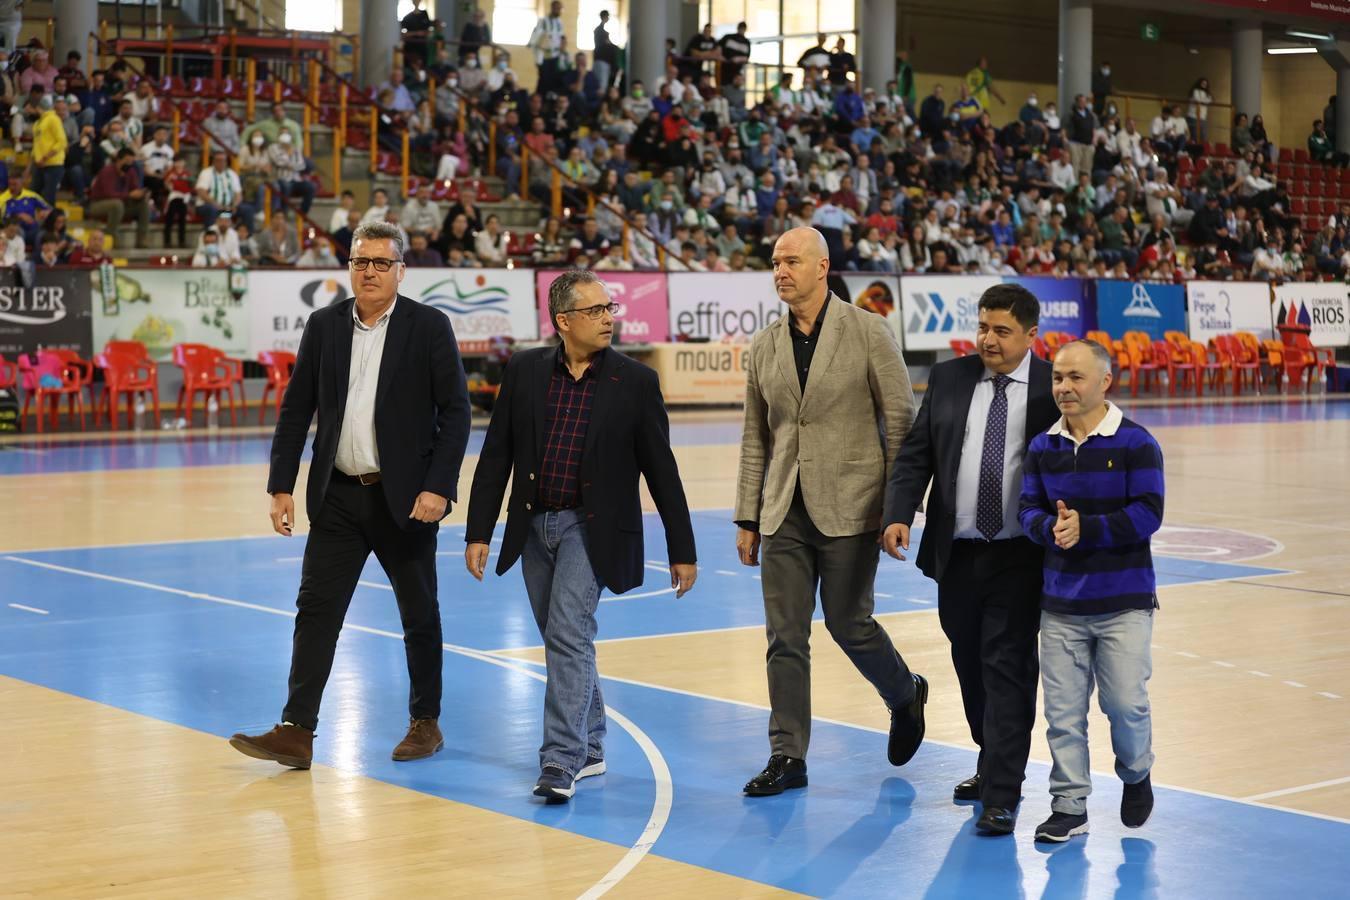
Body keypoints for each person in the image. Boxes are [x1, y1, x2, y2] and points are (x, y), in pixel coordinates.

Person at [229, 222, 472, 771]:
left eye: (381, 263)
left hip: (406, 500)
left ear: (399, 270)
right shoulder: (323, 326)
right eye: (361, 262)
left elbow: (457, 412)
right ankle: (297, 731)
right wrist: (280, 484)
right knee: (315, 610)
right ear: (350, 269)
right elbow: (296, 410)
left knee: (419, 614)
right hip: (337, 495)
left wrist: (439, 486)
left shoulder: (429, 326)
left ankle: (425, 721)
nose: (369, 272)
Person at [464, 269, 697, 802]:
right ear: (563, 321)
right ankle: (591, 746)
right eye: (596, 311)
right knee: (562, 638)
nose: (609, 318)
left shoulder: (635, 382)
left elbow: (662, 471)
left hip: (589, 530)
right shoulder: (524, 371)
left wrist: (682, 550)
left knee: (569, 634)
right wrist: (479, 530)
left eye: (610, 308)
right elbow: (496, 453)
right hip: (532, 525)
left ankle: (559, 760)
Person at [735, 227, 925, 797]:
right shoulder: (763, 345)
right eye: (774, 262)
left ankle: (904, 692)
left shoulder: (868, 331)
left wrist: (899, 509)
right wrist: (748, 516)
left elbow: (900, 425)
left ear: (822, 267)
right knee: (783, 636)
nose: (780, 271)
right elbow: (754, 438)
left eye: (791, 260)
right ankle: (787, 754)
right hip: (782, 509)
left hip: (854, 504)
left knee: (849, 624)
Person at [882, 283, 1060, 835]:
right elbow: (918, 453)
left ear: (1031, 336)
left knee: (1007, 667)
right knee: (969, 663)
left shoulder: (1053, 389)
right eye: (983, 326)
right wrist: (899, 512)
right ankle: (991, 759)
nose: (988, 338)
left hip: (1020, 555)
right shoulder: (950, 377)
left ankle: (1004, 791)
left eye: (1002, 330)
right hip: (956, 553)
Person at [1018, 340, 1163, 842]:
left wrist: (1089, 529)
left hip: (1123, 602)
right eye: (1058, 377)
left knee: (1125, 705)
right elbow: (1028, 509)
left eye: (1076, 378)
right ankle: (1069, 804)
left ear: (1105, 382)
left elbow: (1149, 513)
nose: (1064, 387)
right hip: (1060, 604)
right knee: (1062, 714)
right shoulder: (1043, 446)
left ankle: (1136, 771)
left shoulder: (1136, 443)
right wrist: (1047, 530)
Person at [33, 95, 68, 206]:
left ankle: (50, 221)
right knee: (34, 193)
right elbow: (36, 147)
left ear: (37, 107)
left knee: (49, 195)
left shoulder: (53, 119)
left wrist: (45, 157)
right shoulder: (37, 123)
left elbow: (62, 142)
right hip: (40, 164)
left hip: (53, 164)